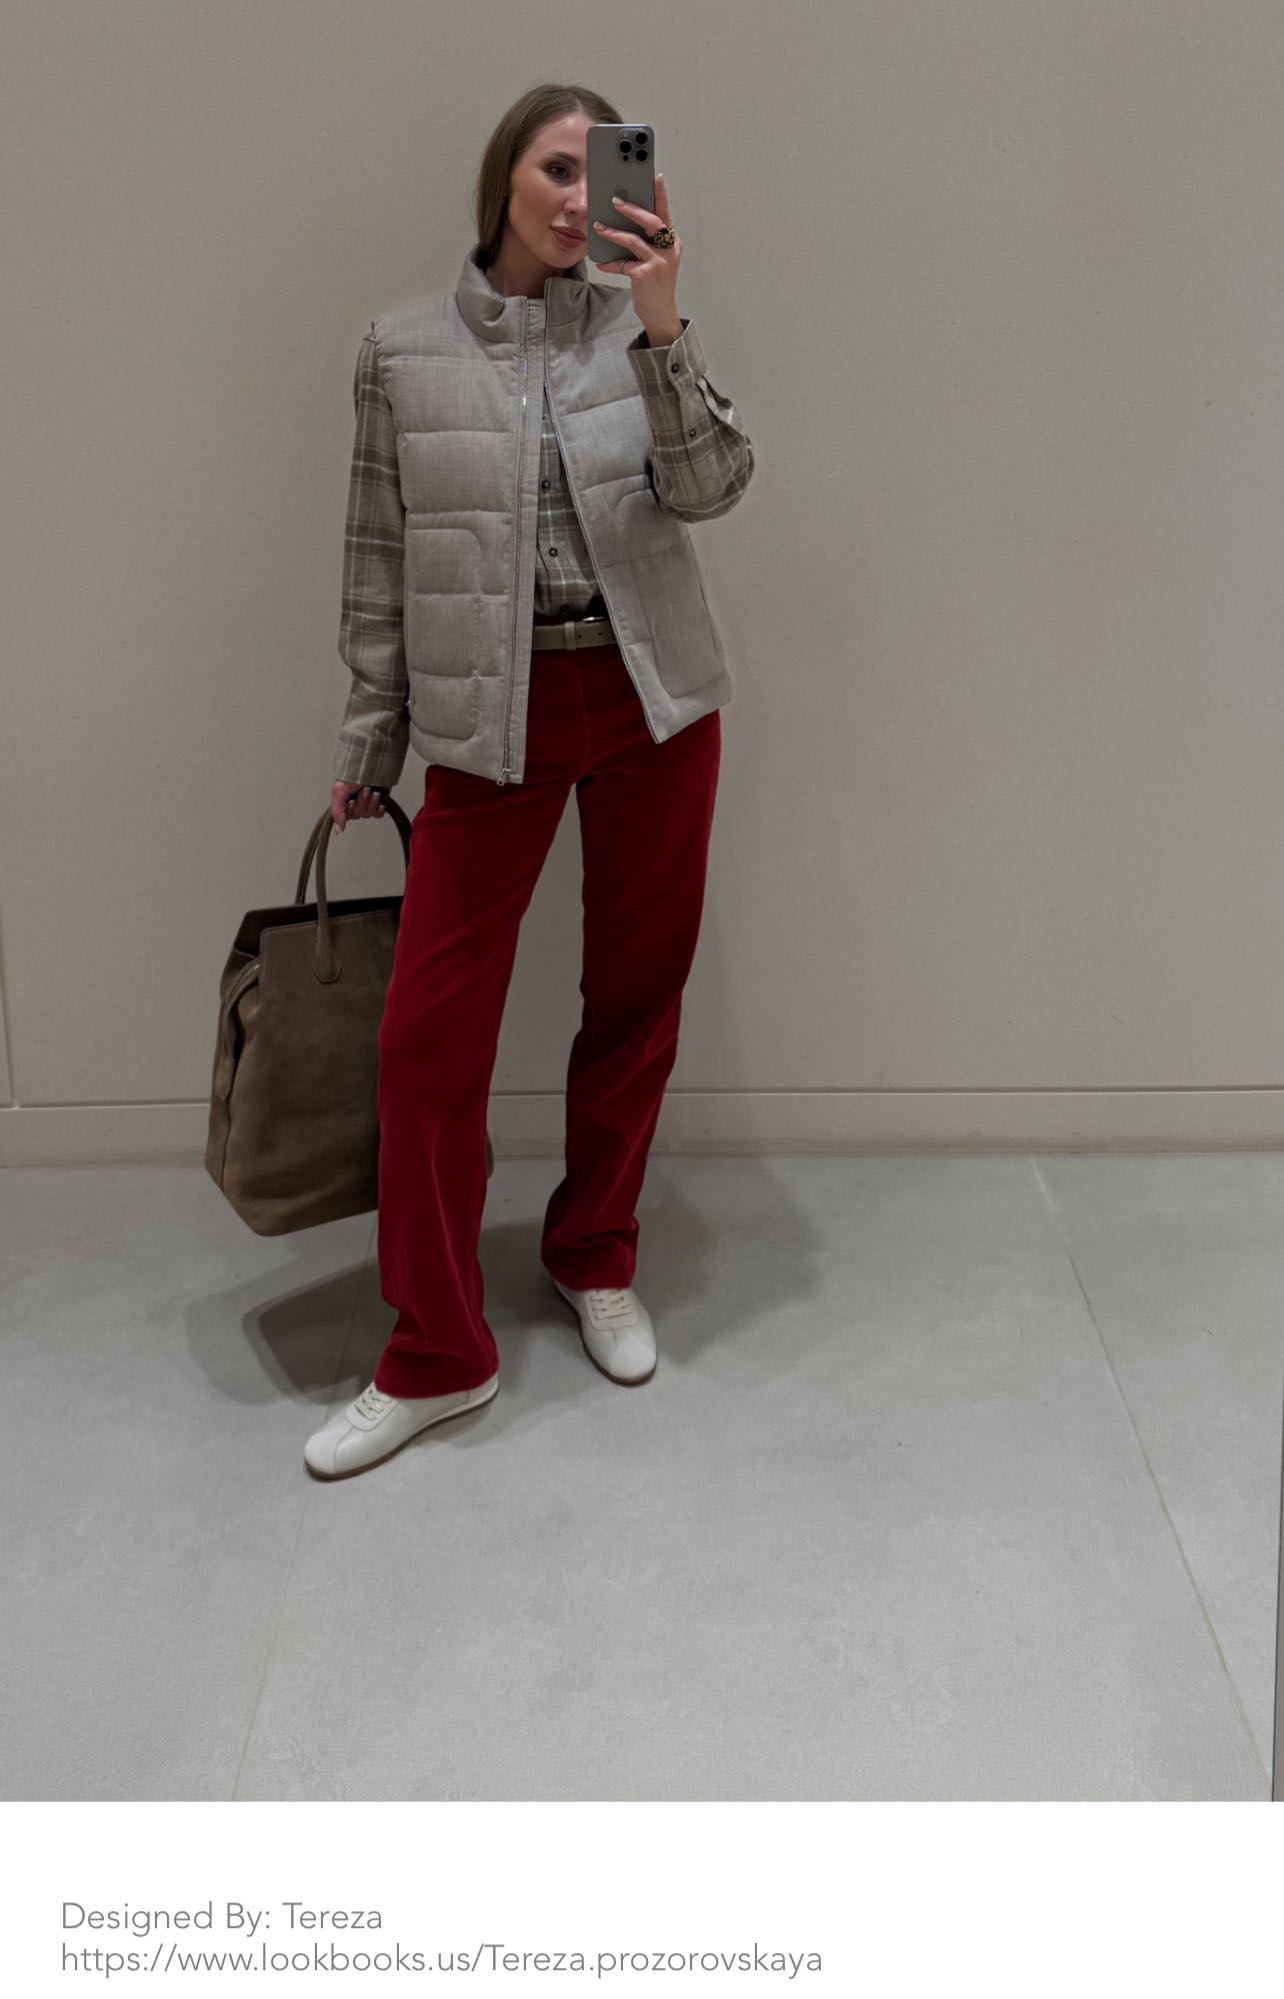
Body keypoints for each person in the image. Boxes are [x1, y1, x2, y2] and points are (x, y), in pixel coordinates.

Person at [305, 82, 754, 1480]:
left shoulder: (636, 331)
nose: (576, 198)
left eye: (599, 170)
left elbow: (713, 489)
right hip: (485, 719)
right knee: (427, 1041)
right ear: (504, 175)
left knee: (634, 995)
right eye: (555, 168)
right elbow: (378, 557)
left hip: (650, 703)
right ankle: (437, 1351)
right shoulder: (401, 350)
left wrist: (665, 325)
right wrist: (370, 742)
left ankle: (595, 1251)